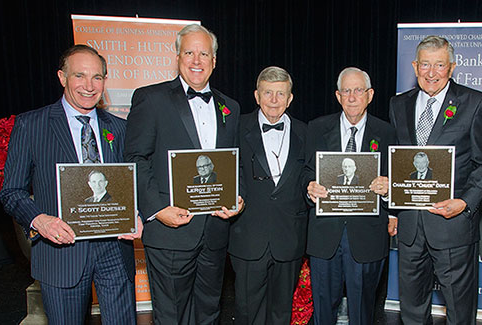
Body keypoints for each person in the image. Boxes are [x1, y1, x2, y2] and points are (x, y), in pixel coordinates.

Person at [0, 44, 141, 324]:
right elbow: (11, 191)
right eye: (80, 76)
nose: (89, 86)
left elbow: (130, 183)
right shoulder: (32, 125)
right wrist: (39, 220)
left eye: (97, 77)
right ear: (62, 77)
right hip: (61, 253)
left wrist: (136, 213)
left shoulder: (119, 128)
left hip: (114, 250)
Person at [124, 24, 244, 324]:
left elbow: (232, 163)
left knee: (208, 313)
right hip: (170, 233)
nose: (196, 60)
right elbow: (135, 159)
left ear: (214, 61)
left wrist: (236, 198)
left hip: (215, 232)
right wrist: (157, 209)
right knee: (171, 316)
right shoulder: (151, 99)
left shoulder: (230, 106)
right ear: (177, 56)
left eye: (204, 53)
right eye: (189, 52)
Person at [388, 36, 482, 324]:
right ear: (415, 66)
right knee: (411, 308)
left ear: (452, 67)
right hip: (410, 227)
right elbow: (397, 160)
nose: (431, 72)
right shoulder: (398, 105)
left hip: (453, 226)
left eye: (439, 65)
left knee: (460, 310)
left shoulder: (475, 103)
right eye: (425, 64)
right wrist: (393, 206)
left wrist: (465, 202)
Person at [306, 67, 395, 325]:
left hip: (367, 237)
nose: (352, 97)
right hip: (325, 236)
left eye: (358, 90)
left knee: (362, 311)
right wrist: (308, 188)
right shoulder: (316, 128)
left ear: (370, 95)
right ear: (338, 95)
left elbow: (396, 182)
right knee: (322, 310)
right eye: (347, 91)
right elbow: (304, 174)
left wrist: (388, 188)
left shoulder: (388, 133)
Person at [228, 66, 308, 325]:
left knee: (281, 313)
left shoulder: (307, 133)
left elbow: (310, 177)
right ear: (256, 95)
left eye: (280, 94)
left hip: (289, 239)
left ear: (290, 98)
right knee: (247, 314)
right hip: (249, 239)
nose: (274, 100)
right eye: (268, 93)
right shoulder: (235, 128)